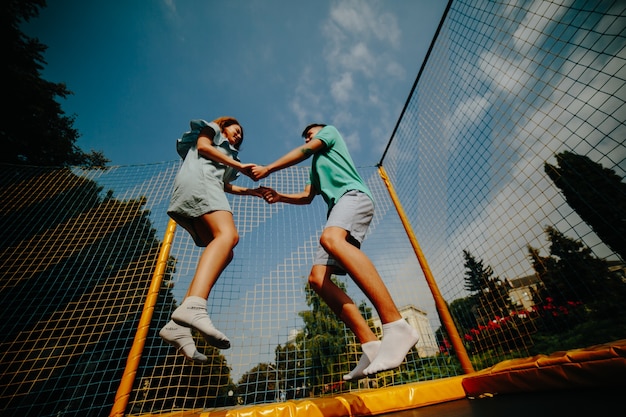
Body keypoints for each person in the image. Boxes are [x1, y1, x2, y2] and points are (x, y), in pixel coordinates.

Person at [251, 124, 419, 379]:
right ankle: (371, 345)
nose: (310, 136)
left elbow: (306, 150)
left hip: (353, 198)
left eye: (312, 133)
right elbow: (308, 196)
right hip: (339, 210)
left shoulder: (329, 133)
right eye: (307, 135)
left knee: (330, 238)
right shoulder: (316, 167)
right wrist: (280, 196)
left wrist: (268, 169)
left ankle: (396, 325)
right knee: (317, 279)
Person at [159, 116, 263, 362]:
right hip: (199, 184)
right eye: (234, 130)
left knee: (226, 249)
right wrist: (239, 167)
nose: (238, 135)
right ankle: (195, 306)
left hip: (210, 187)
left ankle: (178, 326)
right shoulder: (211, 131)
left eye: (240, 135)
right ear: (224, 126)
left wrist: (251, 191)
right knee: (228, 235)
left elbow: (225, 185)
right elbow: (203, 147)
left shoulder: (228, 156)